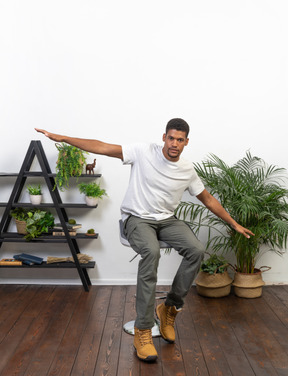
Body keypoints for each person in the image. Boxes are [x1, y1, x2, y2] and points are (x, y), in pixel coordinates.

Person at [35, 119, 253, 362]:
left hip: (167, 221)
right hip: (137, 219)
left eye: (180, 140)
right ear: (164, 137)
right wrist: (64, 138)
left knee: (196, 249)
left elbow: (208, 199)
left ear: (186, 142)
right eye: (171, 138)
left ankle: (169, 308)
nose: (175, 143)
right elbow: (103, 147)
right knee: (151, 252)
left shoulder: (187, 170)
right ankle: (143, 330)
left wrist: (234, 224)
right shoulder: (142, 152)